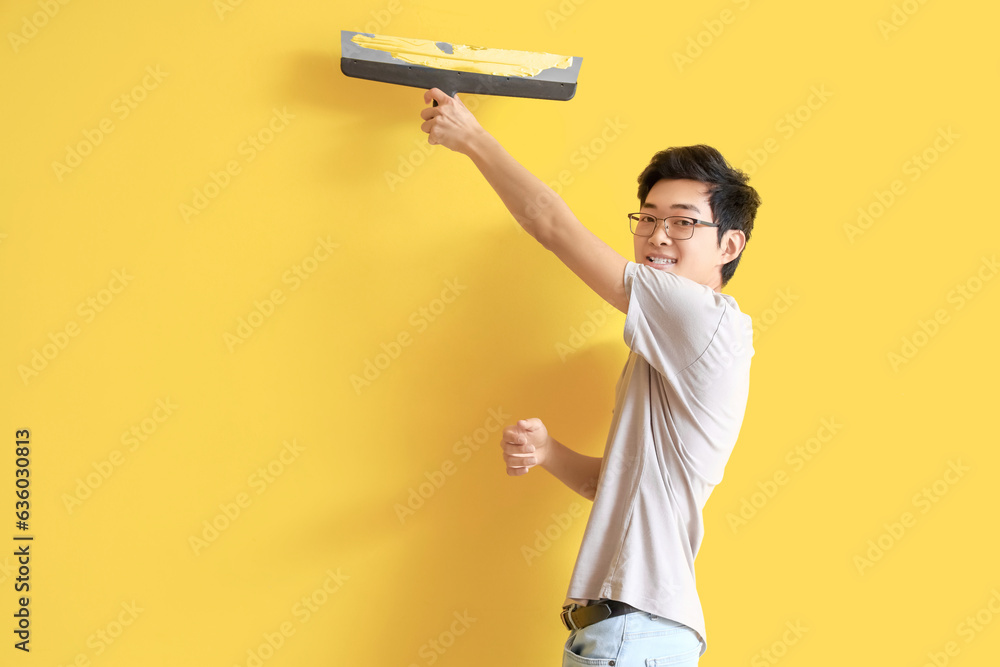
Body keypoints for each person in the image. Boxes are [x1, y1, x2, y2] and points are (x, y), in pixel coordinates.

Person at [419, 86, 761, 666]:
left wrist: (472, 138)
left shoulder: (701, 319)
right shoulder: (674, 347)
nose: (657, 235)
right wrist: (551, 452)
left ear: (729, 244)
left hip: (634, 634)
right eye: (648, 218)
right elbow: (616, 487)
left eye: (682, 223)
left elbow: (551, 224)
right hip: (631, 633)